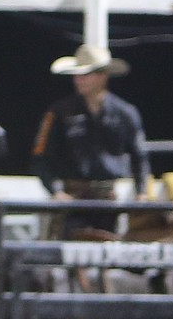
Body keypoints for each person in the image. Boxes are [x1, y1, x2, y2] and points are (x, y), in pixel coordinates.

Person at [30, 44, 150, 240]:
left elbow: (140, 156)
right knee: (68, 247)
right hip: (72, 198)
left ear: (102, 76)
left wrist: (141, 193)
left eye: (85, 75)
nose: (78, 80)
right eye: (76, 75)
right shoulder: (59, 112)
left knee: (107, 247)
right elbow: (40, 157)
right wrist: (56, 191)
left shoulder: (125, 113)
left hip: (108, 199)